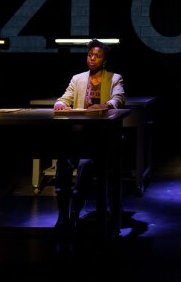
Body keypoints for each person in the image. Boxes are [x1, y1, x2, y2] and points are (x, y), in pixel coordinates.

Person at [52, 39, 125, 232]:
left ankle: (75, 211)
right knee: (63, 161)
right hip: (77, 136)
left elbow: (118, 98)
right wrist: (60, 103)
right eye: (90, 55)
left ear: (104, 60)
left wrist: (106, 105)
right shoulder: (77, 79)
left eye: (97, 56)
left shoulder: (114, 78)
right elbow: (64, 97)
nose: (92, 58)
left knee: (86, 164)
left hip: (99, 138)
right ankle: (62, 216)